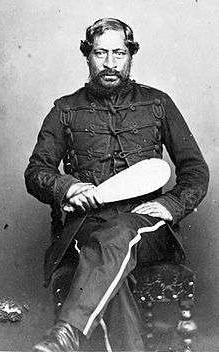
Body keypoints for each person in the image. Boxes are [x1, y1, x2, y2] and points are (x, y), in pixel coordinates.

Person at [25, 18, 209, 352]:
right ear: (87, 56)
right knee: (112, 275)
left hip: (147, 228)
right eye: (101, 53)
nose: (110, 63)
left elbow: (195, 169)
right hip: (87, 226)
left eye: (119, 53)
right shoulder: (64, 110)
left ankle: (66, 333)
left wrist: (171, 206)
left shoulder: (158, 103)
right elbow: (36, 170)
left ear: (130, 55)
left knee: (117, 234)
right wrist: (65, 187)